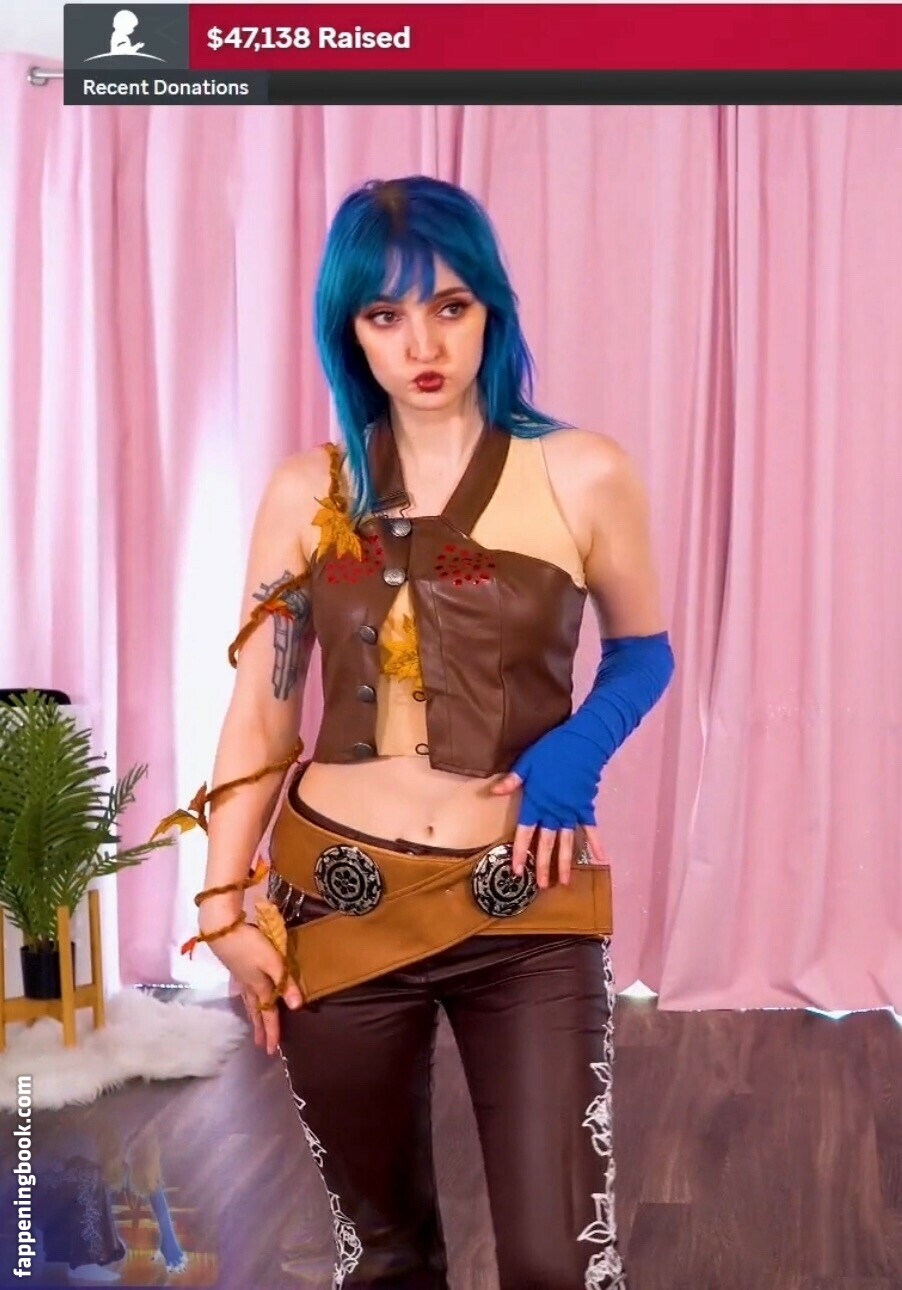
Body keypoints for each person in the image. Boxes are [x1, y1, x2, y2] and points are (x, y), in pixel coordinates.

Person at [174, 176, 674, 1289]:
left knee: (558, 1263)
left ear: (490, 306)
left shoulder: (584, 471)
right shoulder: (308, 492)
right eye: (385, 315)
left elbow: (644, 653)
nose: (422, 345)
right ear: (349, 332)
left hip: (524, 896)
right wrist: (219, 906)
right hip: (333, 900)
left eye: (449, 306)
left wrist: (571, 757)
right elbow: (263, 704)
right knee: (385, 1255)